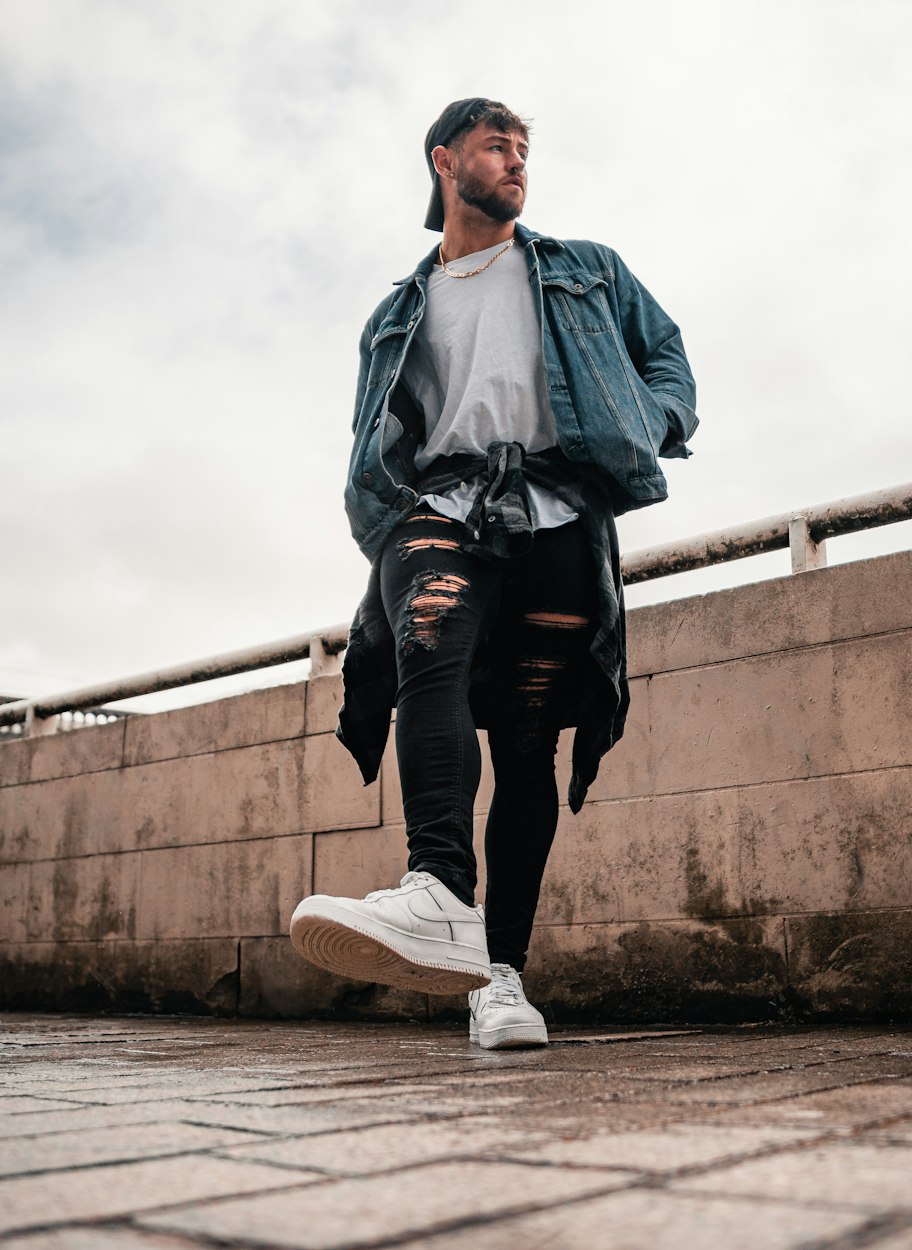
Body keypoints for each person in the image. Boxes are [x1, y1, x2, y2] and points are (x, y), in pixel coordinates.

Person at [290, 98, 697, 1049]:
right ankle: (436, 886)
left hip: (559, 513)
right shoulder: (400, 309)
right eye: (496, 146)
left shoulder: (586, 270)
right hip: (442, 508)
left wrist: (654, 424)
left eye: (524, 149)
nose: (516, 162)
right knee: (424, 651)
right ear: (445, 162)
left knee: (526, 747)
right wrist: (386, 512)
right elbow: (377, 429)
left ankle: (497, 978)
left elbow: (667, 357)